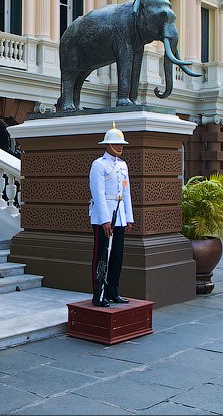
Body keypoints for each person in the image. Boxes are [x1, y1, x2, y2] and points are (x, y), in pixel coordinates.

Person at [89, 122, 134, 307]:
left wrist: (129, 217)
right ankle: (99, 294)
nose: (120, 147)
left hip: (120, 216)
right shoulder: (98, 165)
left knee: (117, 256)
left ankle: (113, 291)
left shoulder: (123, 165)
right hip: (104, 218)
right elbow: (98, 194)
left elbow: (126, 192)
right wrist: (105, 220)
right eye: (116, 143)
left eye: (121, 144)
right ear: (107, 145)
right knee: (102, 257)